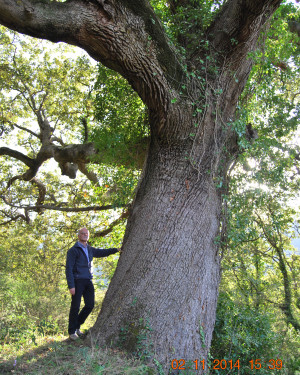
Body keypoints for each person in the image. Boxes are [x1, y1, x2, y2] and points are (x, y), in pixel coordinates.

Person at [65, 227, 120, 340]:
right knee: (75, 306)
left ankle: (77, 326)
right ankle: (71, 332)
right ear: (79, 235)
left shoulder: (89, 249)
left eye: (87, 234)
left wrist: (116, 250)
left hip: (88, 281)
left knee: (90, 305)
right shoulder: (73, 250)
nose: (85, 235)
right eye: (83, 233)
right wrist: (71, 286)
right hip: (77, 281)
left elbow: (101, 252)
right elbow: (68, 269)